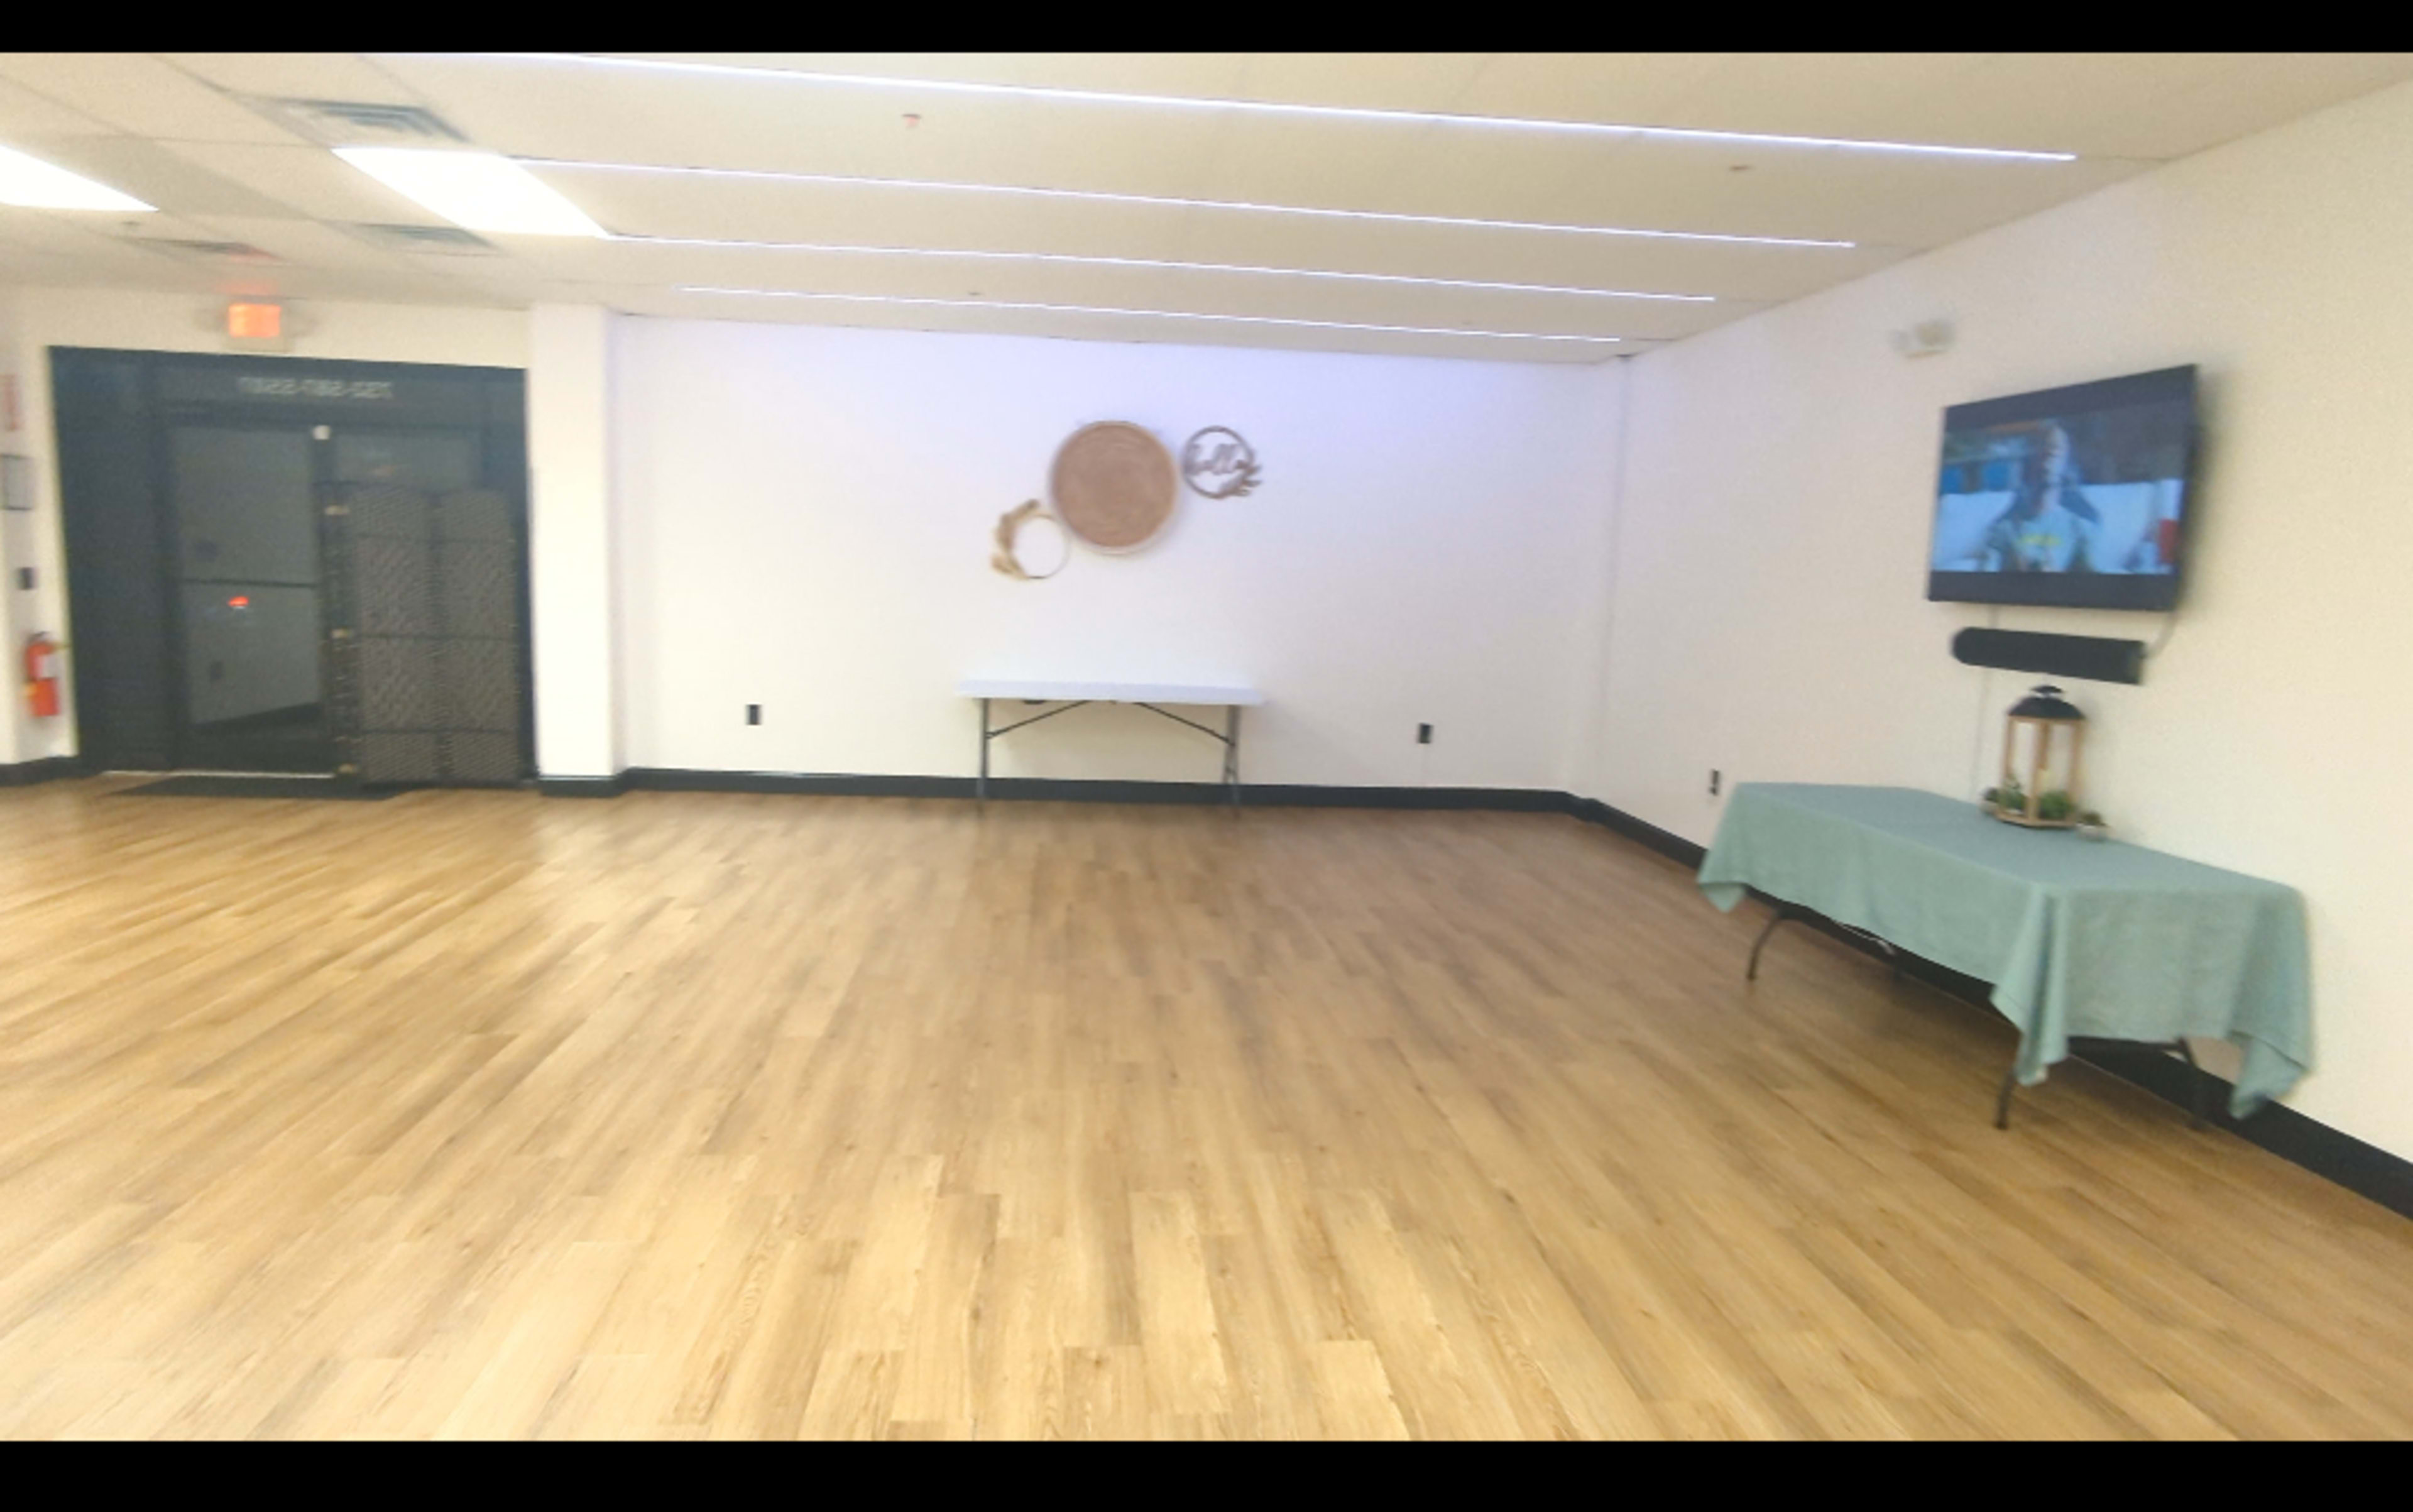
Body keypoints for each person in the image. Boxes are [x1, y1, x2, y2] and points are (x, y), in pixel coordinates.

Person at [1980, 422, 2099, 572]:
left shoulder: (2078, 527)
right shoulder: (2005, 529)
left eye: (2057, 448)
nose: (2050, 454)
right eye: (2044, 446)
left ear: (2066, 459)